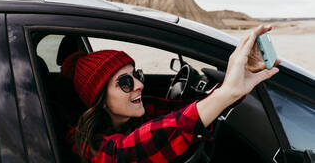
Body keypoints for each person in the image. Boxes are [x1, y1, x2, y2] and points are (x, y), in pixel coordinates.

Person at [61, 25, 280, 162]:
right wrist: (225, 95)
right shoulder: (86, 145)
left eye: (136, 74)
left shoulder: (140, 109)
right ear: (101, 100)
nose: (139, 85)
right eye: (126, 82)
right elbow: (127, 151)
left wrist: (234, 84)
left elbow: (185, 112)